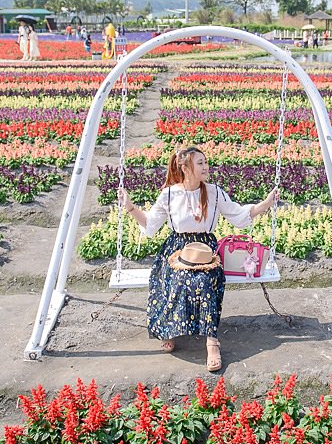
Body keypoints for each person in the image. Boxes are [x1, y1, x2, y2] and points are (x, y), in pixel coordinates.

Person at [118, 146, 279, 372]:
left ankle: (211, 342)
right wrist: (130, 207)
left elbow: (238, 215)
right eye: (200, 163)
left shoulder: (213, 192)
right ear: (185, 168)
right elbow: (150, 224)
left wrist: (266, 204)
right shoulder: (170, 194)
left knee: (203, 281)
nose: (206, 167)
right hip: (176, 249)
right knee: (176, 278)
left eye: (206, 162)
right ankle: (169, 329)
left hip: (205, 249)